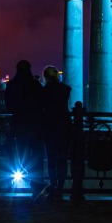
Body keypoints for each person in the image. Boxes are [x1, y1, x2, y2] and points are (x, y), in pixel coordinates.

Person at [4, 59, 44, 188]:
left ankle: (21, 176)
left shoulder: (12, 85)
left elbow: (8, 104)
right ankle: (37, 182)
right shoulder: (35, 85)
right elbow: (41, 103)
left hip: (19, 122)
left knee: (20, 151)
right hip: (35, 123)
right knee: (36, 152)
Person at [40, 65, 72, 202]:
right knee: (62, 158)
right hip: (64, 125)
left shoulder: (44, 91)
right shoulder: (65, 89)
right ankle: (60, 186)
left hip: (49, 125)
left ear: (46, 76)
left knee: (51, 158)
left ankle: (53, 186)